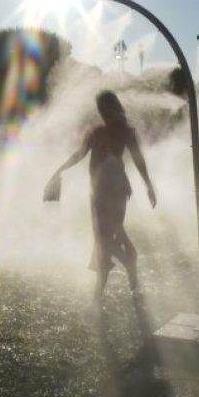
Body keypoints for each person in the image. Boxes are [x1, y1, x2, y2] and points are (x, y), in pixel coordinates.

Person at [46, 90, 156, 304]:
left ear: (109, 108)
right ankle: (108, 281)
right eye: (100, 109)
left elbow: (136, 158)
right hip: (115, 190)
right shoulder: (120, 131)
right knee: (109, 236)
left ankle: (126, 264)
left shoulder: (102, 132)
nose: (102, 112)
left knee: (104, 238)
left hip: (105, 192)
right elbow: (136, 159)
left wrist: (148, 184)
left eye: (103, 109)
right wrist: (58, 171)